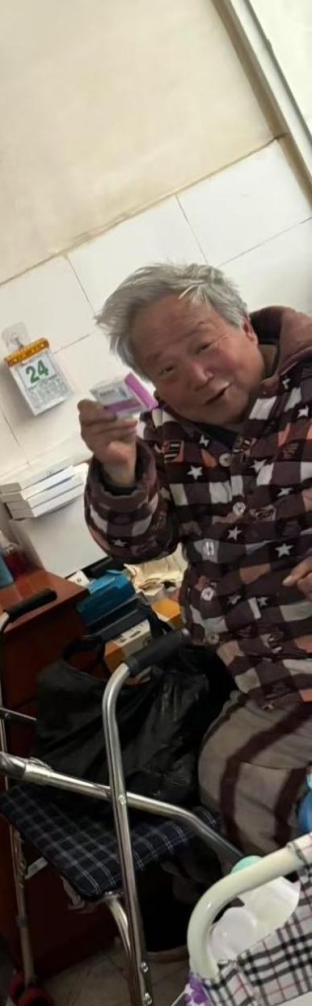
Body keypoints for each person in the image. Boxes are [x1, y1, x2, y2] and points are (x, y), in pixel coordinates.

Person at [80, 263, 312, 856]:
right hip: (270, 673)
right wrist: (119, 471)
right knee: (221, 778)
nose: (198, 377)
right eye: (167, 369)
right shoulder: (163, 440)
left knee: (245, 784)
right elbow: (139, 545)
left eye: (204, 346)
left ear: (243, 324)